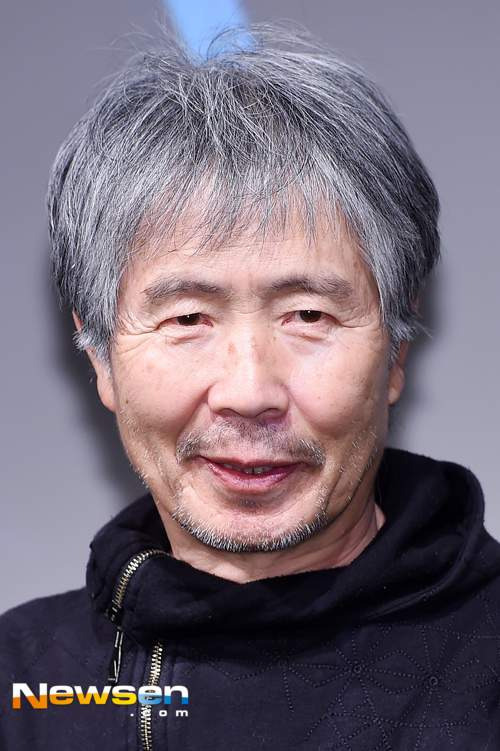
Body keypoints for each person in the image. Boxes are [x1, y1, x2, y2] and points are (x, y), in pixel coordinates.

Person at [1, 24, 499, 751]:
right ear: (100, 356)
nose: (248, 390)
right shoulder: (20, 684)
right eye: (187, 318)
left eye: (308, 316)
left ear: (396, 349)